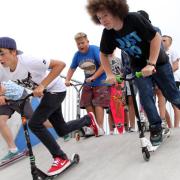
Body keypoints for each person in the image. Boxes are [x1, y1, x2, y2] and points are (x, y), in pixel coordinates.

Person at [0, 37, 100, 176]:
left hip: (56, 90)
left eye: (1, 53)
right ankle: (87, 120)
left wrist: (42, 85)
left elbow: (60, 64)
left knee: (34, 124)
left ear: (13, 52)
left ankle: (60, 157)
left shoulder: (28, 61)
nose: (0, 58)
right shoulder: (2, 69)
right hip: (46, 94)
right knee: (61, 130)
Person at [86, 0, 180, 146]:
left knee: (172, 95)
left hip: (158, 62)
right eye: (99, 18)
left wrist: (151, 63)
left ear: (116, 11)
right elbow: (103, 54)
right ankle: (156, 127)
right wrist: (110, 74)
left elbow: (156, 38)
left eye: (105, 15)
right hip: (138, 67)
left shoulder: (133, 18)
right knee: (145, 96)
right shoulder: (108, 33)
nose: (103, 21)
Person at [65, 32, 111, 136]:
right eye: (78, 44)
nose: (80, 46)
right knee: (86, 102)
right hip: (88, 82)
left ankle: (100, 127)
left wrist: (94, 77)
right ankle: (93, 125)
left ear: (87, 42)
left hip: (101, 80)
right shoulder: (77, 55)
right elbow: (72, 68)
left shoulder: (94, 49)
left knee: (98, 103)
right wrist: (67, 79)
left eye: (82, 43)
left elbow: (104, 65)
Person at [0, 80, 52, 162]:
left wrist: (1, 95)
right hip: (5, 99)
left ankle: (59, 127)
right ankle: (13, 150)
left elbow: (2, 88)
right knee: (1, 122)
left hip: (18, 95)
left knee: (36, 120)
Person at [137, 10, 172, 129]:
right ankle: (151, 121)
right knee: (146, 94)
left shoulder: (154, 29)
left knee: (160, 93)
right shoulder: (135, 32)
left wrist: (154, 64)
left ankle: (162, 120)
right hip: (143, 67)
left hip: (155, 65)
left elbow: (160, 49)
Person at [162, 35, 180, 127]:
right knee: (161, 104)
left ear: (170, 43)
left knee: (175, 103)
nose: (162, 41)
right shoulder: (158, 52)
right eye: (161, 40)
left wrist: (165, 73)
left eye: (164, 40)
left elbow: (176, 66)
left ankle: (176, 126)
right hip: (161, 81)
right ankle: (170, 126)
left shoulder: (173, 51)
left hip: (173, 79)